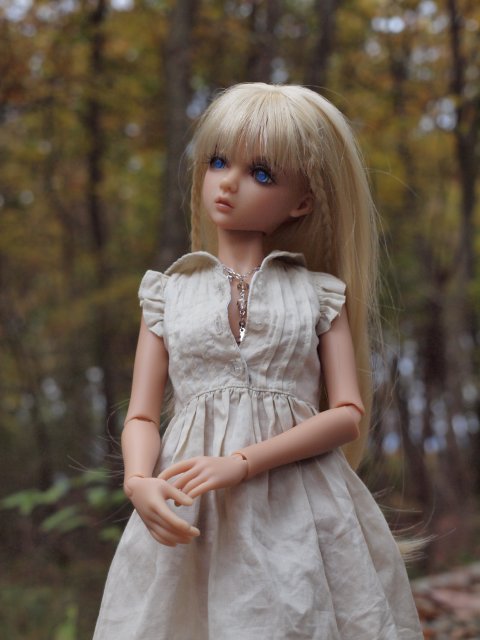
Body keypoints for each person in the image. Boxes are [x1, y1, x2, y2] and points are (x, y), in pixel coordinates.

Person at [93, 83, 423, 639]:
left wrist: (242, 462)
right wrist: (138, 481)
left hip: (302, 505)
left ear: (302, 202)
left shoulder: (318, 295)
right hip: (192, 502)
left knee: (301, 614)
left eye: (262, 174)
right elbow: (142, 416)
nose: (228, 182)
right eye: (218, 161)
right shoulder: (167, 294)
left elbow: (347, 414)